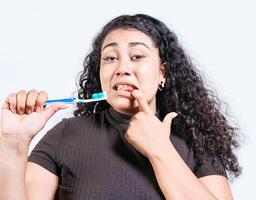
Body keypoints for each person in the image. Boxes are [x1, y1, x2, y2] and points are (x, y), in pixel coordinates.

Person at [0, 14, 241, 199]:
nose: (122, 68)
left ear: (162, 73)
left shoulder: (196, 143)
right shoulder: (64, 136)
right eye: (110, 58)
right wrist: (13, 144)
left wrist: (160, 150)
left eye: (137, 56)